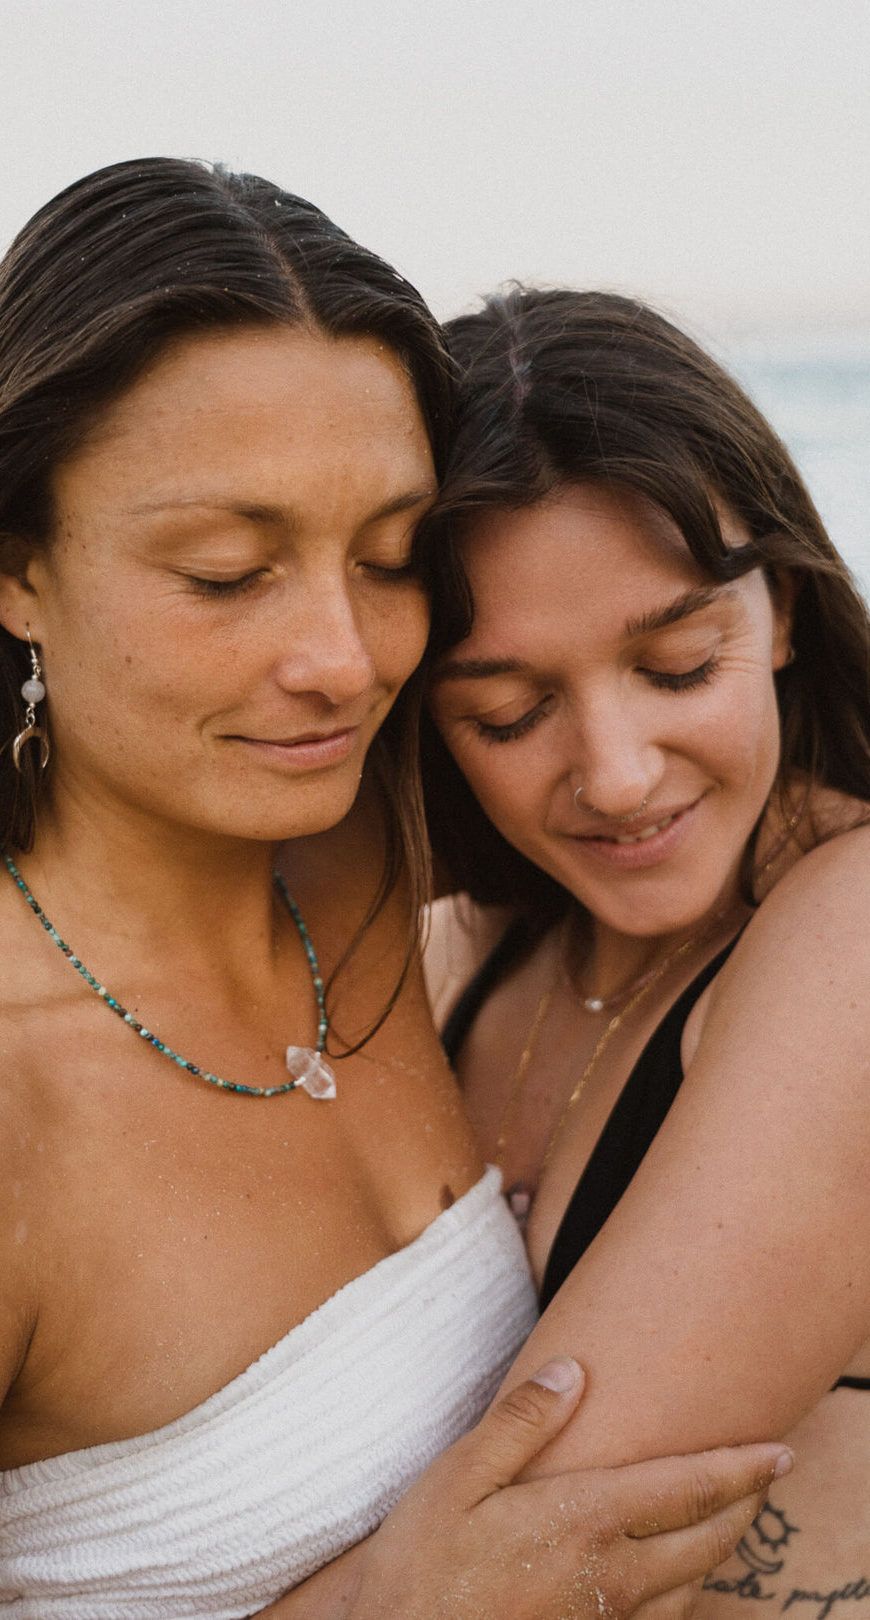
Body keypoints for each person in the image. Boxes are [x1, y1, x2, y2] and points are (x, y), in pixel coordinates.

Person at [0, 164, 783, 1619]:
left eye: (388, 558)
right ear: (16, 571)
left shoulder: (364, 850)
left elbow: (655, 774)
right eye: (227, 573)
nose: (343, 658)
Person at [421, 287, 870, 1611]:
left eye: (678, 665)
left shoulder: (849, 933)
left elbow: (535, 1571)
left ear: (782, 613)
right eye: (506, 714)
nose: (616, 779)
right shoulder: (477, 938)